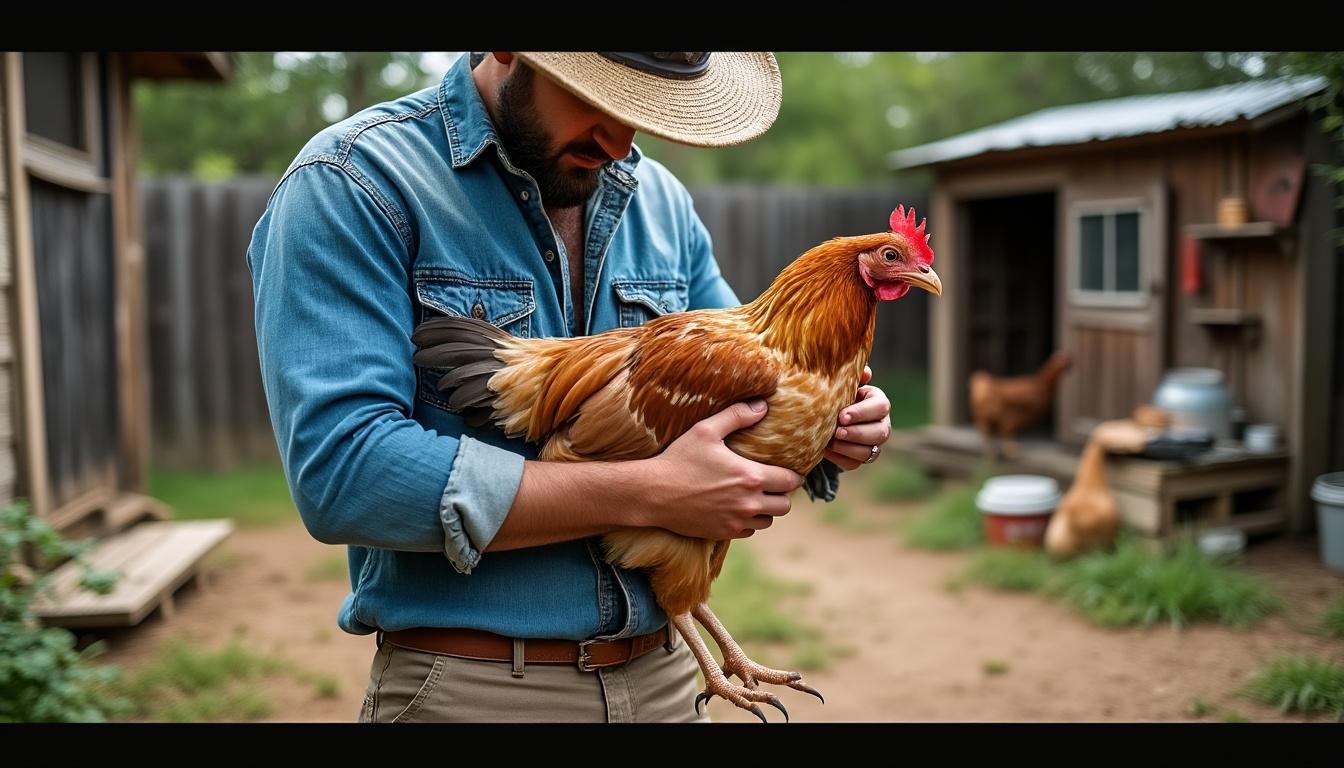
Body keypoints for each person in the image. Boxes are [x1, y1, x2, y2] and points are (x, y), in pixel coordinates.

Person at [247, 51, 894, 723]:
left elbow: (762, 379)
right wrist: (649, 492)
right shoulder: (355, 182)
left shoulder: (664, 201)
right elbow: (344, 475)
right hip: (480, 690)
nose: (621, 141)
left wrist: (839, 424)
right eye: (600, 98)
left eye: (644, 107)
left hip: (671, 679)